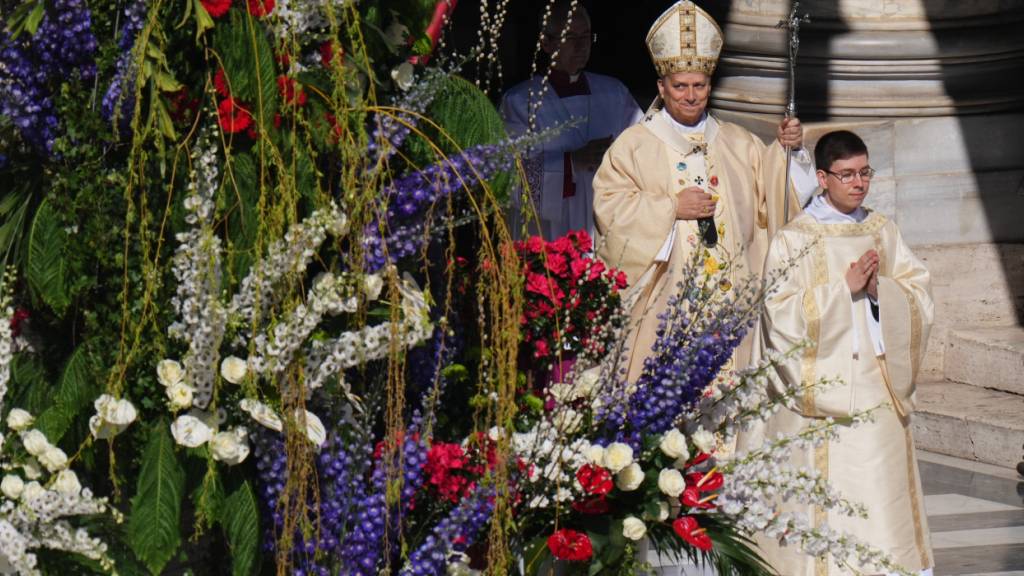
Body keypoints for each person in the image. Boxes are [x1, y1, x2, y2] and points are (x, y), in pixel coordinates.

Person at [592, 0, 818, 381]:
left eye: (699, 86)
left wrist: (786, 151)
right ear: (662, 88)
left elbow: (776, 199)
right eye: (680, 86)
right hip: (669, 297)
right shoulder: (633, 145)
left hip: (732, 297)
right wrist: (670, 208)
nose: (691, 96)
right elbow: (609, 208)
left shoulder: (737, 142)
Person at [756, 130, 934, 576]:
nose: (859, 184)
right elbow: (778, 313)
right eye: (847, 174)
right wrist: (843, 291)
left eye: (865, 173)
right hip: (819, 391)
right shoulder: (794, 240)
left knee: (881, 488)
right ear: (822, 177)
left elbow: (919, 293)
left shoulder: (882, 230)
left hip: (878, 381)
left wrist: (881, 293)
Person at [501, 1, 643, 240]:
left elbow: (643, 150)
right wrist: (571, 162)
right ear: (546, 43)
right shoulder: (520, 102)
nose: (581, 46)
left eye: (586, 36)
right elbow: (508, 177)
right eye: (570, 37)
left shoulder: (614, 93)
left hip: (606, 224)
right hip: (549, 234)